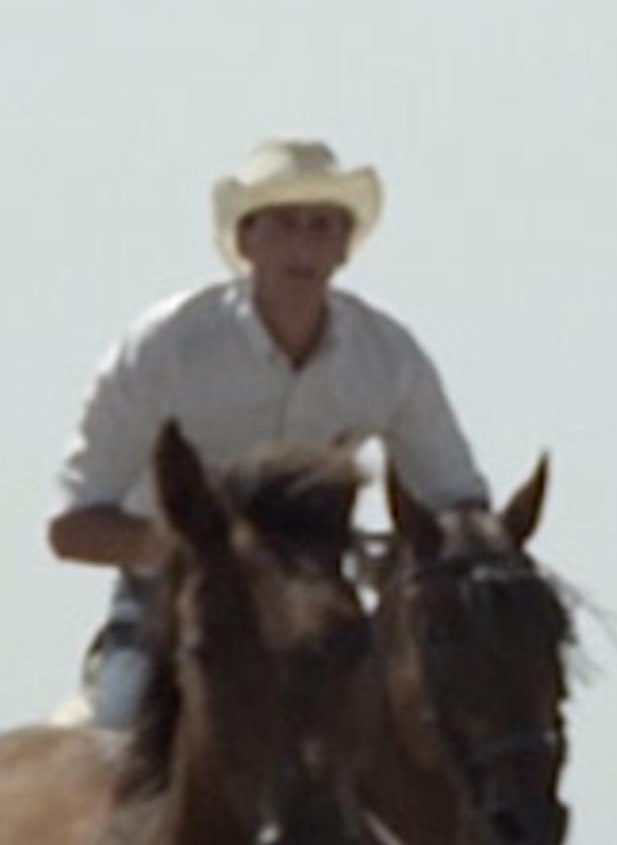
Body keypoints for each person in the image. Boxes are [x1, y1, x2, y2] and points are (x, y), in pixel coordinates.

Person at [50, 138, 489, 725]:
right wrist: (211, 553)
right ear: (245, 240)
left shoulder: (388, 358)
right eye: (284, 225)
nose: (303, 245)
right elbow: (74, 525)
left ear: (344, 248)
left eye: (322, 226)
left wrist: (406, 564)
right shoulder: (167, 348)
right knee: (117, 752)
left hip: (325, 628)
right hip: (168, 617)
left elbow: (457, 504)